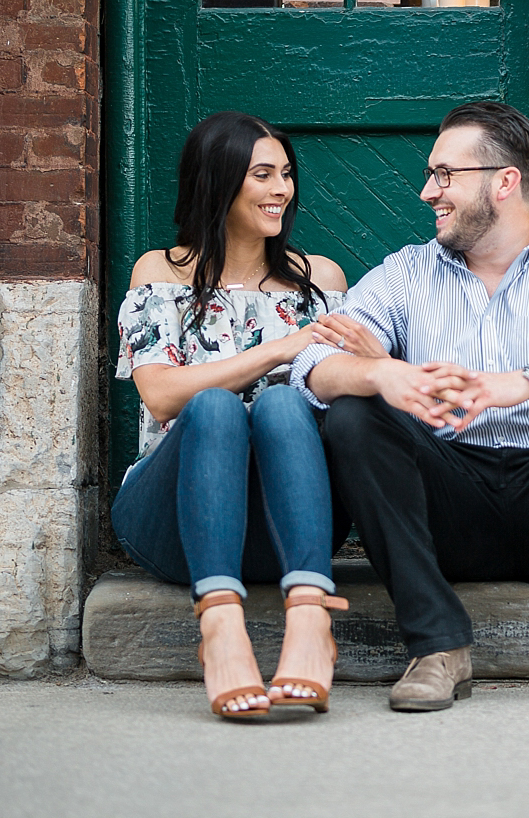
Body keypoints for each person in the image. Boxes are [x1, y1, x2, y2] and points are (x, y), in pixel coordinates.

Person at [292, 99, 529, 715]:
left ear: (505, 183)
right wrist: (384, 374)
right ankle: (437, 646)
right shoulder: (405, 274)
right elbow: (312, 364)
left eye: (445, 174)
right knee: (354, 412)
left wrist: (520, 383)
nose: (427, 192)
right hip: (450, 506)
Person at [112, 109, 370, 721]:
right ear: (218, 179)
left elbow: (346, 391)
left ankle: (311, 623)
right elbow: (161, 397)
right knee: (214, 407)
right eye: (262, 174)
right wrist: (278, 348)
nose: (281, 189)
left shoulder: (321, 283)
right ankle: (221, 629)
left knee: (285, 403)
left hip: (287, 528)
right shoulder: (160, 272)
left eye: (286, 174)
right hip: (172, 523)